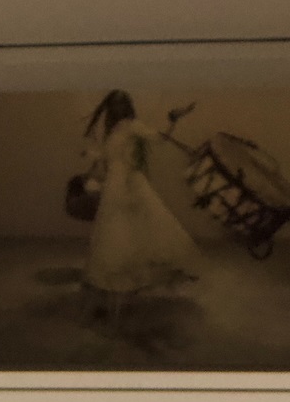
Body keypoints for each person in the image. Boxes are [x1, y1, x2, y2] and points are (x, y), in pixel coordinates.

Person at [80, 88, 200, 325]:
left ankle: (124, 286)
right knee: (116, 232)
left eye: (120, 104)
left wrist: (172, 120)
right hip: (115, 186)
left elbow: (159, 138)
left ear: (126, 106)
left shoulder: (130, 126)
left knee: (125, 231)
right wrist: (92, 163)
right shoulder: (114, 129)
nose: (117, 108)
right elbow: (107, 158)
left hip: (128, 185)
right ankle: (118, 285)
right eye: (114, 104)